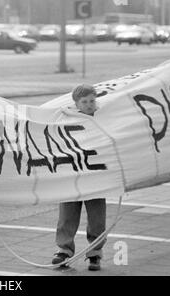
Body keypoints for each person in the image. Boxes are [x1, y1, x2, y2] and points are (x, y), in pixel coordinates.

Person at [51, 84, 106, 271]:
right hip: (72, 175)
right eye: (84, 102)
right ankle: (63, 250)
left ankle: (95, 253)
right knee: (67, 214)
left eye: (92, 100)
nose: (89, 105)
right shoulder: (67, 119)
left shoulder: (103, 118)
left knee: (97, 216)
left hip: (95, 176)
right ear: (76, 103)